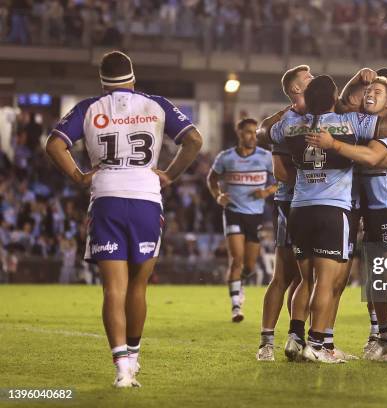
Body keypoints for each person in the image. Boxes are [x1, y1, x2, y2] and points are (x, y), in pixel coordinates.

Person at [45, 51, 203, 387]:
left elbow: (54, 145)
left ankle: (122, 369)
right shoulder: (156, 103)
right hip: (146, 198)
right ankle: (134, 356)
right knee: (138, 286)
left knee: (113, 289)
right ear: (133, 77)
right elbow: (194, 140)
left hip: (107, 198)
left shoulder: (89, 107)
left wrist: (78, 175)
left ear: (102, 81)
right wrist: (171, 174)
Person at [261, 74, 387, 363]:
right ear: (333, 99)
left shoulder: (290, 124)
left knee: (305, 280)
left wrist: (293, 106)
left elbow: (266, 132)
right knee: (325, 283)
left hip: (299, 207)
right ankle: (317, 344)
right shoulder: (350, 122)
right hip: (333, 208)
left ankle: (295, 336)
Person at [256, 65, 312, 361]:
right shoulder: (287, 120)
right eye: (308, 78)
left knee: (307, 277)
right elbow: (279, 170)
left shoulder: (322, 114)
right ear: (295, 90)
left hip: (315, 203)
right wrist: (315, 179)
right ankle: (266, 342)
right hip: (292, 202)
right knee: (284, 275)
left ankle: (298, 338)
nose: (313, 80)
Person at [207, 118, 277, 323]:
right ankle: (236, 306)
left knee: (250, 265)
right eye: (248, 132)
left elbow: (283, 179)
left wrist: (267, 191)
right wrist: (218, 196)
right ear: (239, 133)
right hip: (233, 211)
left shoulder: (265, 157)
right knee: (236, 258)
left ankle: (241, 285)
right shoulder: (226, 157)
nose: (253, 137)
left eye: (255, 133)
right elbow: (212, 178)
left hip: (255, 215)